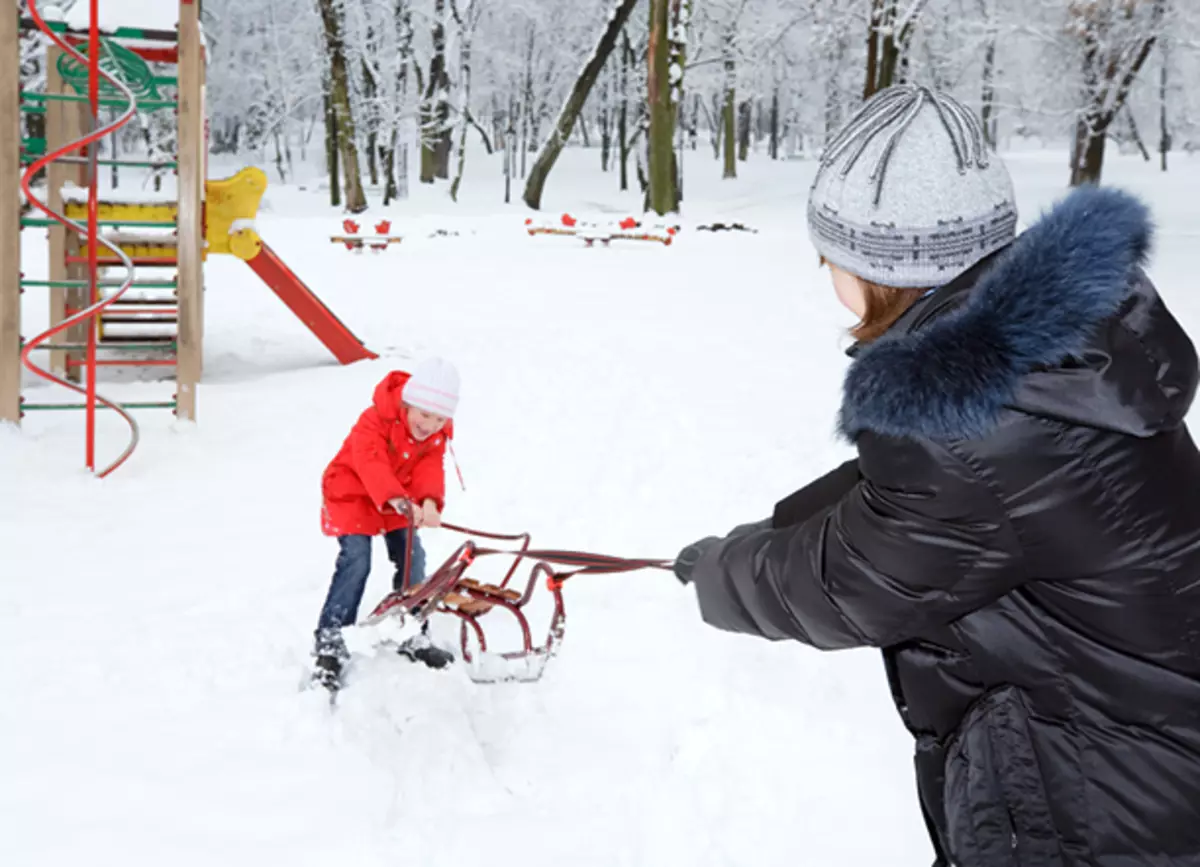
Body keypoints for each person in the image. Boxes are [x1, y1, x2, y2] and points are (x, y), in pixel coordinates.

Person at [674, 84, 1200, 867]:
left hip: (1101, 806)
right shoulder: (1048, 361)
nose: (825, 270)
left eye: (832, 254)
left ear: (873, 268)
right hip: (1148, 750)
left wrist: (719, 568)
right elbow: (933, 514)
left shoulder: (963, 434)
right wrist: (784, 523)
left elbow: (844, 587)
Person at [313, 357, 461, 683]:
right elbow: (370, 462)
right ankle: (330, 642)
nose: (430, 424)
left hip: (398, 501)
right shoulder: (374, 419)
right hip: (352, 494)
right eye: (424, 414)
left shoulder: (435, 436)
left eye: (439, 418)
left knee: (412, 556)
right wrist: (396, 498)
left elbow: (428, 470)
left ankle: (412, 632)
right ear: (408, 403)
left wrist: (429, 502)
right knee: (357, 560)